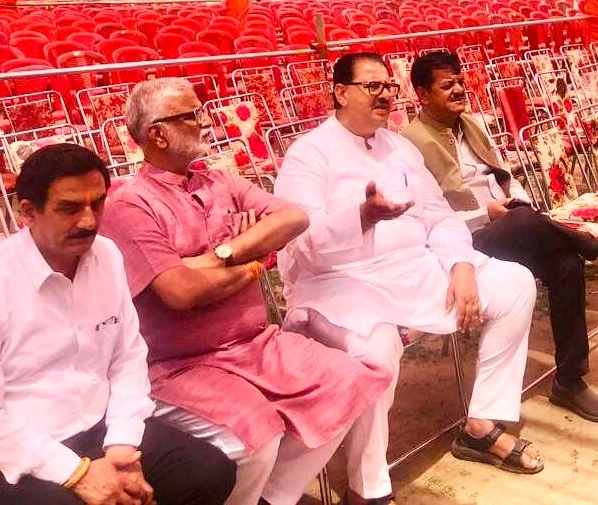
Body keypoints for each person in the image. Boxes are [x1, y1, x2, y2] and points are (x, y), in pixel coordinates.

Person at [101, 78, 391, 505]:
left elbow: (292, 218)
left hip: (255, 343)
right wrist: (255, 258)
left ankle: (275, 498)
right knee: (256, 433)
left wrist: (224, 254)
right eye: (190, 116)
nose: (203, 123)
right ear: (156, 134)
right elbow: (180, 292)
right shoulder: (130, 205)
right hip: (184, 365)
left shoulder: (220, 181)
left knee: (354, 381)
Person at [275, 52, 545, 503]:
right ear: (340, 93)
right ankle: (369, 485)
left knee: (515, 284)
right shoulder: (309, 154)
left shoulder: (398, 146)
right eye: (372, 86)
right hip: (341, 283)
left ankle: (481, 424)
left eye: (389, 87)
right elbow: (300, 242)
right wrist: (360, 217)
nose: (384, 95)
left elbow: (439, 216)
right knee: (377, 354)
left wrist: (460, 266)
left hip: (414, 269)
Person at [0, 143, 237, 505]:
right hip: (7, 455)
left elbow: (127, 357)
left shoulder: (106, 255)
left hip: (97, 431)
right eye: (70, 208)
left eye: (96, 203)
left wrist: (121, 447)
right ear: (27, 212)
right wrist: (77, 473)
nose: (89, 220)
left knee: (209, 472)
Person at [403, 50, 598, 423]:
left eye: (460, 81)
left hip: (513, 227)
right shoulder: (411, 143)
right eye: (447, 86)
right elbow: (425, 213)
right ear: (423, 95)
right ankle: (594, 243)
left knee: (565, 265)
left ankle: (570, 381)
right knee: (519, 222)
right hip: (463, 243)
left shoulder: (472, 125)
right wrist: (485, 214)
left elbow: (503, 176)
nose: (459, 89)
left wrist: (516, 203)